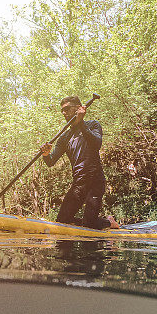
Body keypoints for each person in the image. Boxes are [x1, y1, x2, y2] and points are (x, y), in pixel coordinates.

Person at [41, 95, 120, 229]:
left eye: (67, 109)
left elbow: (96, 144)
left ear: (78, 108)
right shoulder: (64, 137)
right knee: (62, 221)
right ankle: (88, 222)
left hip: (95, 181)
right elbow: (50, 162)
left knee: (90, 224)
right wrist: (46, 154)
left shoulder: (93, 124)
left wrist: (80, 122)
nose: (64, 113)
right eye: (62, 111)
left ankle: (109, 223)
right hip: (79, 183)